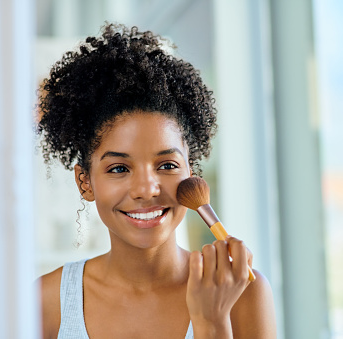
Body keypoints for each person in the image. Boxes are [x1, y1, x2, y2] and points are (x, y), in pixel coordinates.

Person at [36, 23, 276, 339]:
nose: (147, 189)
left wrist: (212, 321)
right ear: (85, 182)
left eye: (166, 164)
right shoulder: (46, 301)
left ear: (191, 172)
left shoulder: (244, 292)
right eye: (119, 169)